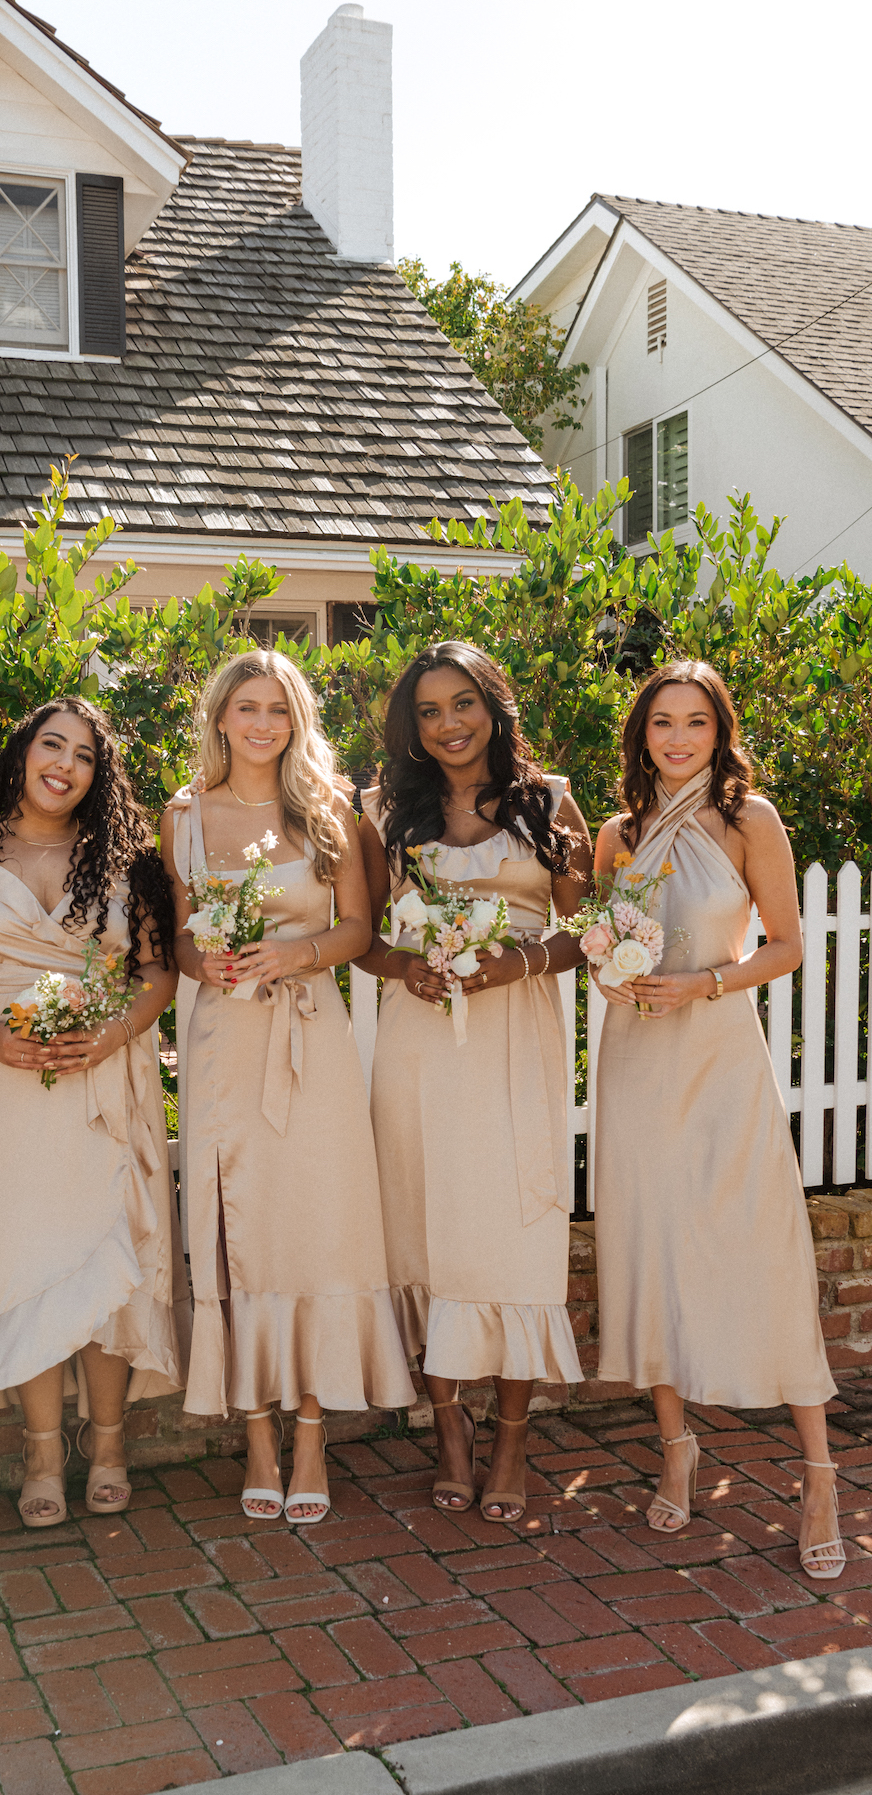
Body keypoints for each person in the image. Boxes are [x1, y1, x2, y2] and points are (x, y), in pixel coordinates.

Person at [593, 662, 842, 1579]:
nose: (678, 738)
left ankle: (819, 1476)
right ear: (642, 734)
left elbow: (787, 946)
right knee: (652, 1244)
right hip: (637, 1060)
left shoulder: (749, 820)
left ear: (719, 731)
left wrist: (705, 982)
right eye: (662, 722)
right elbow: (602, 944)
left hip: (721, 1057)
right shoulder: (617, 834)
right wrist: (611, 976)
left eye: (695, 722)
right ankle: (676, 1450)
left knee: (760, 1249)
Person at [161, 649, 414, 1524]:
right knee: (238, 1226)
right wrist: (208, 961)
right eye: (247, 708)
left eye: (278, 709)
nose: (262, 724)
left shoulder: (329, 807)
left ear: (296, 720)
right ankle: (258, 1433)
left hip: (311, 1035)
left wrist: (294, 953)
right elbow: (178, 941)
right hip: (223, 1042)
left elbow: (359, 930)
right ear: (221, 718)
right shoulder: (183, 815)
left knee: (317, 1222)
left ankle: (310, 1431)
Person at [0, 699, 186, 1525]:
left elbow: (157, 972)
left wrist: (110, 1036)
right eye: (52, 745)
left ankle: (108, 1444)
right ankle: (42, 1450)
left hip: (98, 1073)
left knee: (103, 1254)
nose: (64, 765)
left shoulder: (125, 859)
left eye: (84, 756)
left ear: (97, 776)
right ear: (23, 752)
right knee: (24, 1262)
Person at [357, 641, 590, 1520]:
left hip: (514, 1036)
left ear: (493, 707)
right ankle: (449, 1431)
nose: (448, 724)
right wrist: (405, 967)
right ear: (411, 727)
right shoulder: (385, 811)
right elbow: (363, 937)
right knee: (426, 1229)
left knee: (512, 1231)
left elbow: (587, 929)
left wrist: (518, 963)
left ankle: (514, 1440)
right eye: (428, 711)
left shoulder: (550, 803)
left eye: (463, 704)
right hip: (420, 1043)